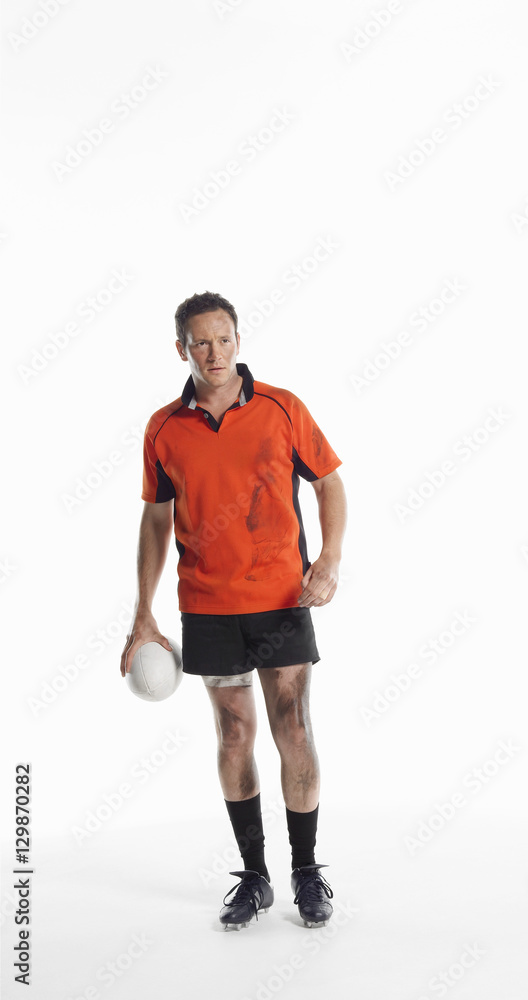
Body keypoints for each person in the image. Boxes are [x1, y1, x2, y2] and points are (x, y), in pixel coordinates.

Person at [118, 290, 346, 930]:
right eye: (200, 342)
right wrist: (144, 613)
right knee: (235, 735)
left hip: (281, 597)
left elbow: (328, 481)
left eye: (224, 339)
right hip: (209, 606)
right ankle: (254, 876)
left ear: (238, 340)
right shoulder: (164, 428)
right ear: (182, 348)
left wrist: (327, 560)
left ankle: (306, 871)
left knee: (293, 729)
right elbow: (156, 518)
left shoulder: (281, 408)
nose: (214, 353)